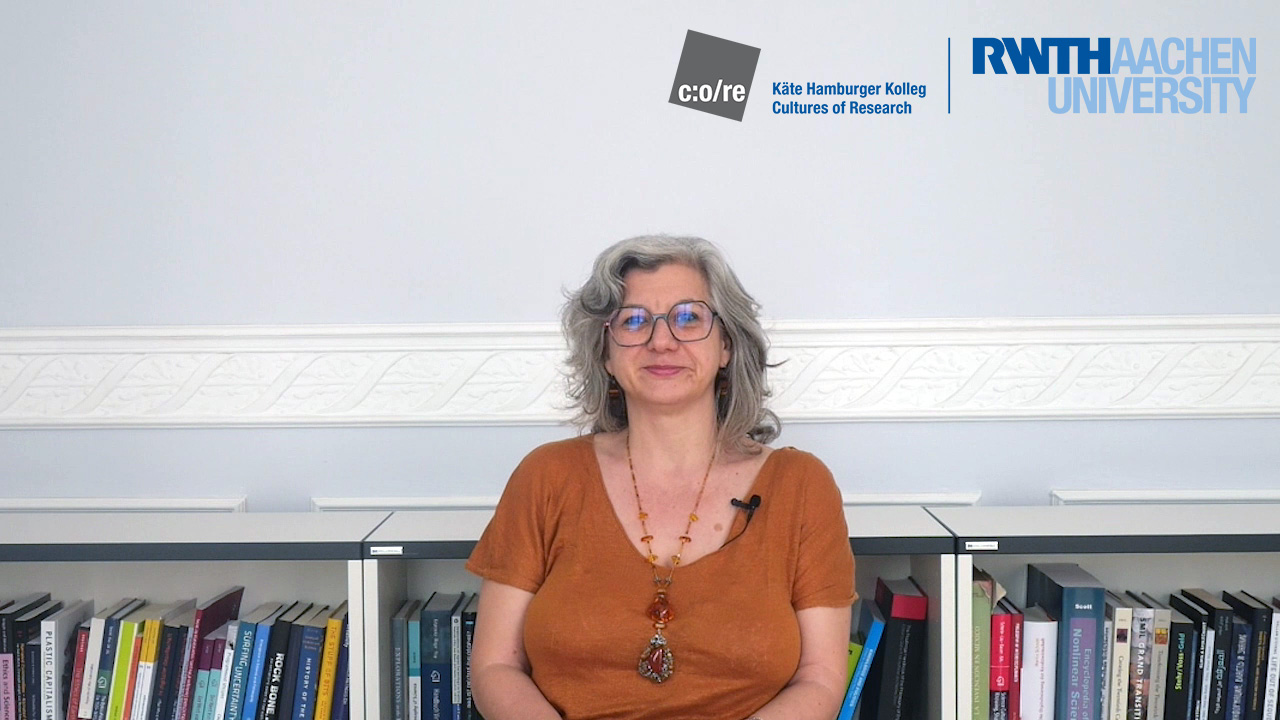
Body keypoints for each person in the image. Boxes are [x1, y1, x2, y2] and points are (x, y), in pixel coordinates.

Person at [466, 235, 856, 719]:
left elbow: (819, 678)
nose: (661, 340)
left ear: (727, 346)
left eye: (689, 317)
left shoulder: (802, 485)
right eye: (633, 321)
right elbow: (494, 666)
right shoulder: (547, 476)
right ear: (606, 354)